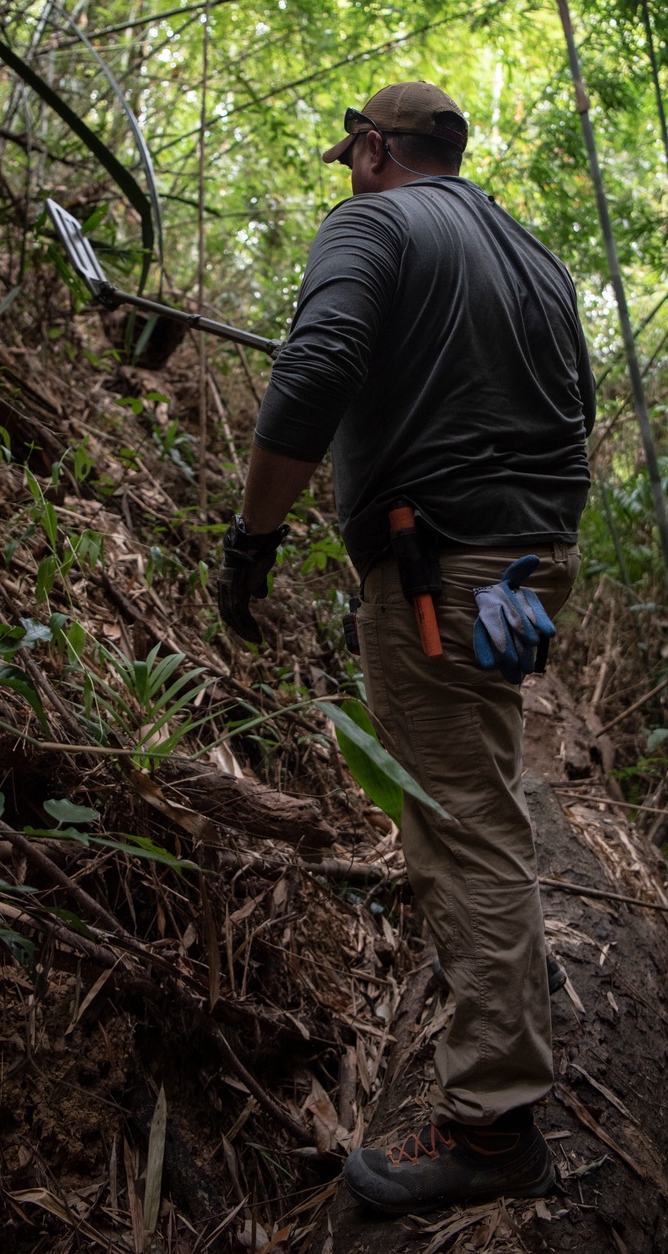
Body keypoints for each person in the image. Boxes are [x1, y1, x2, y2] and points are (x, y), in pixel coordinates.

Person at [217, 81, 594, 1215]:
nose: (347, 175)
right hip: (524, 565)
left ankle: (491, 1131)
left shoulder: (372, 222)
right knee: (477, 797)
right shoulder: (528, 251)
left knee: (462, 825)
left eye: (351, 157)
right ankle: (496, 1053)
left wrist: (252, 541)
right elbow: (571, 407)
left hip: (445, 567)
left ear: (376, 149)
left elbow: (316, 367)